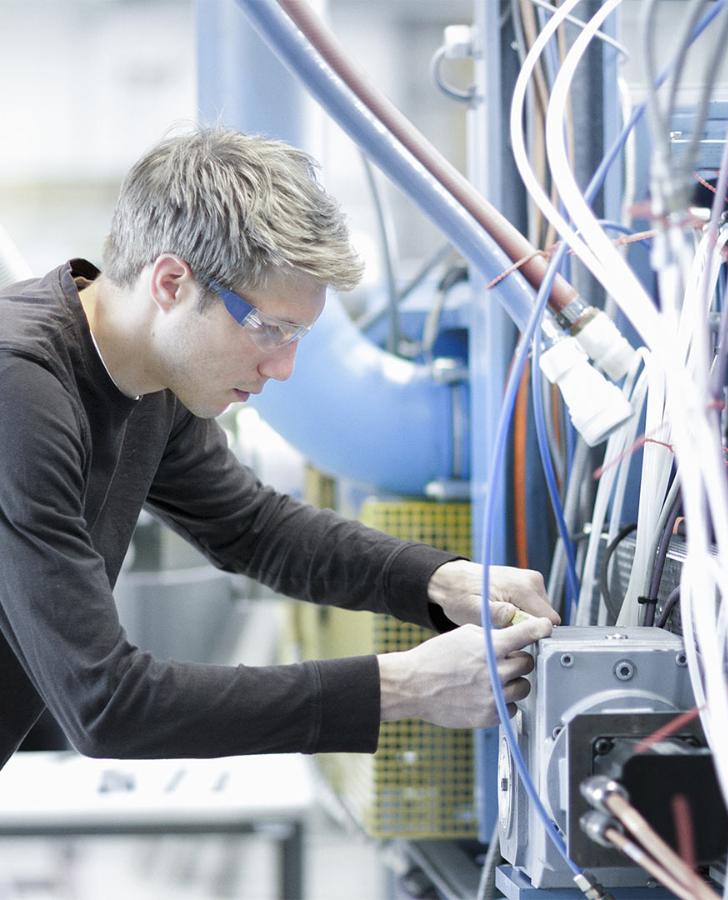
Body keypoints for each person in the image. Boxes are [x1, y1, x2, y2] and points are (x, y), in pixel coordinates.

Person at [0, 128, 558, 770]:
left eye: (299, 336)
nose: (284, 367)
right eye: (270, 329)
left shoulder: (150, 380)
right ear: (172, 283)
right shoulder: (20, 388)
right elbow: (107, 705)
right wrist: (403, 686)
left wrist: (437, 581)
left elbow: (250, 528)